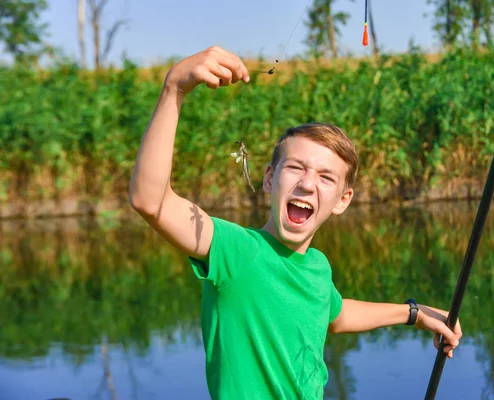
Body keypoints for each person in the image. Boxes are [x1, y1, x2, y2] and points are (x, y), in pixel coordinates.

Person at [129, 45, 462, 399]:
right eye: (295, 168)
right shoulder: (236, 251)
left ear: (342, 201)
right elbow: (150, 201)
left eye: (326, 177)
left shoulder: (318, 267)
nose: (307, 183)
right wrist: (174, 89)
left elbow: (334, 314)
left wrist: (414, 314)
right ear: (270, 179)